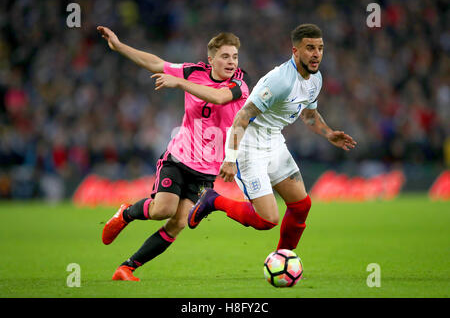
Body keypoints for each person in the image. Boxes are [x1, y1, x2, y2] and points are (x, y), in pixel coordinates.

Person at [97, 26, 250, 281]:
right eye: (225, 56)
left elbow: (220, 98)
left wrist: (180, 83)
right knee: (162, 210)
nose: (231, 62)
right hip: (179, 158)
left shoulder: (239, 86)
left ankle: (126, 268)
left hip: (207, 170)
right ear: (211, 59)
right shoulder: (193, 72)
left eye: (234, 56)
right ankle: (125, 213)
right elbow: (155, 63)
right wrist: (120, 46)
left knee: (178, 223)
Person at [188, 24, 357, 253]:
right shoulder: (280, 81)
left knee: (301, 205)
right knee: (267, 219)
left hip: (274, 141)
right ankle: (212, 200)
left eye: (320, 48)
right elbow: (241, 117)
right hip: (249, 145)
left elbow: (308, 115)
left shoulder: (315, 80)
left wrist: (328, 133)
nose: (316, 54)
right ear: (295, 51)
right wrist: (230, 158)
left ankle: (283, 257)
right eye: (309, 48)